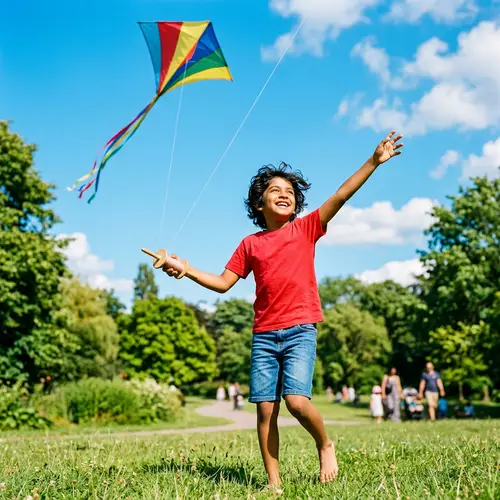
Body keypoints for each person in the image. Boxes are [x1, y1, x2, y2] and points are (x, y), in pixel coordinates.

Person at [162, 131, 404, 489]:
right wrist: (185, 269)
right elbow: (223, 282)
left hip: (300, 329)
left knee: (296, 401)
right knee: (264, 411)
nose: (284, 193)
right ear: (259, 204)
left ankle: (325, 443)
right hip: (264, 335)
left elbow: (341, 194)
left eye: (289, 191)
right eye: (275, 190)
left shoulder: (307, 228)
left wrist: (373, 162)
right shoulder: (250, 244)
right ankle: (273, 484)